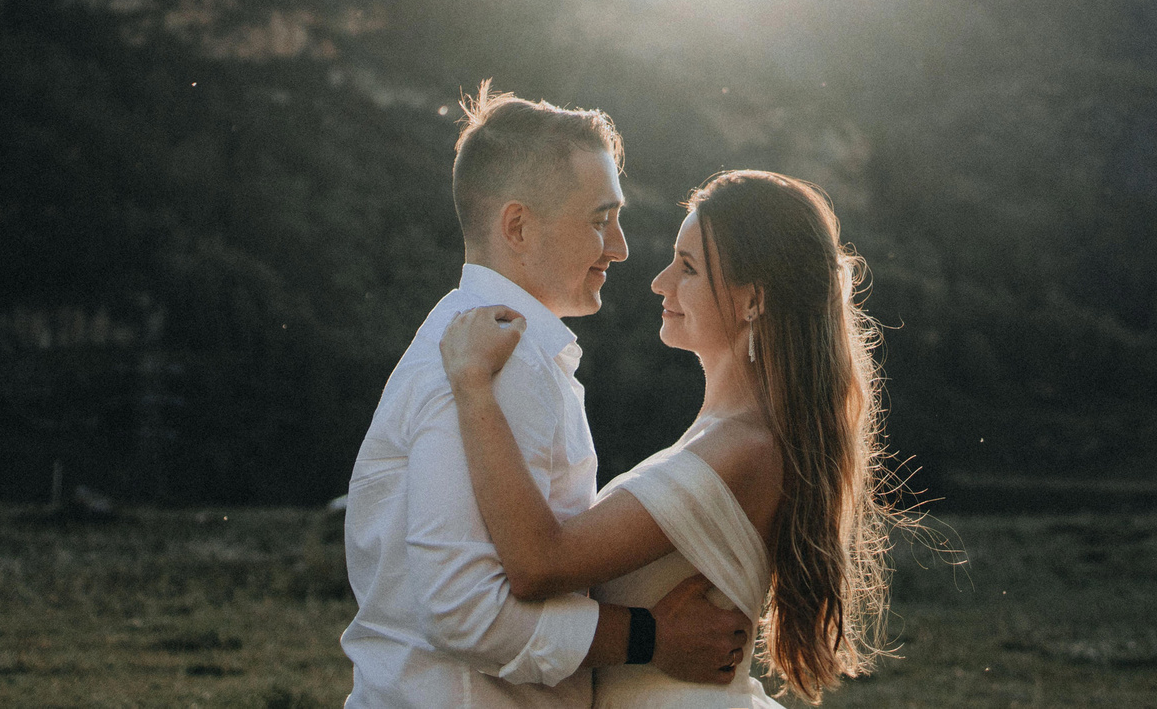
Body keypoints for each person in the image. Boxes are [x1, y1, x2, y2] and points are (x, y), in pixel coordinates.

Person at [342, 85, 749, 709]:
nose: (620, 247)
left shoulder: (494, 346)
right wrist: (651, 637)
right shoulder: (501, 360)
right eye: (599, 219)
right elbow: (462, 609)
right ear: (518, 226)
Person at [438, 169, 905, 706]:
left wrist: (473, 387)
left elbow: (540, 565)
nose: (660, 282)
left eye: (688, 268)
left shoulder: (743, 447)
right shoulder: (725, 436)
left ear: (754, 299)